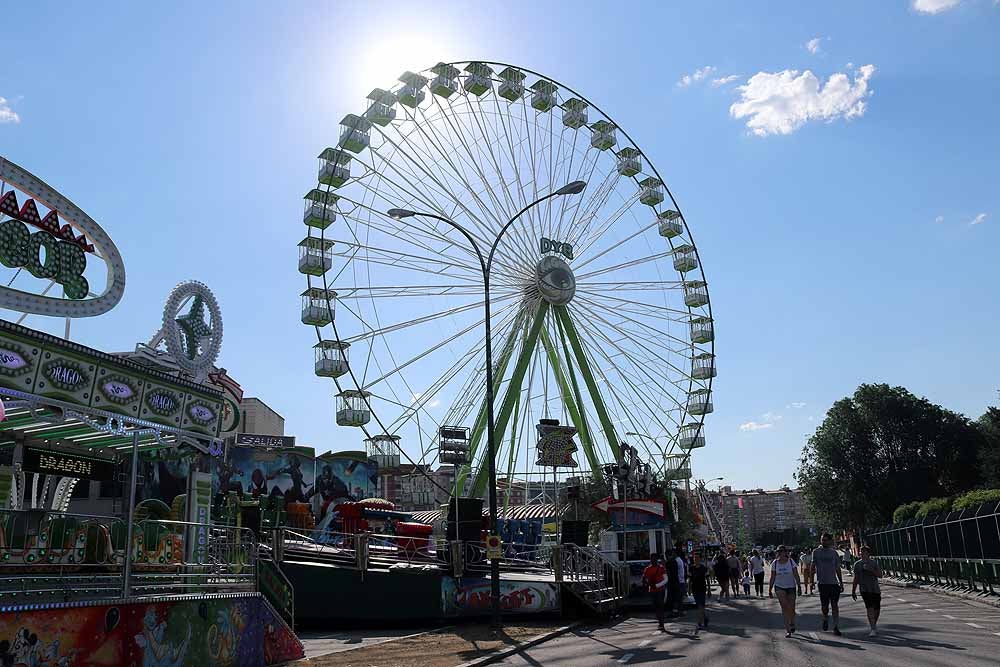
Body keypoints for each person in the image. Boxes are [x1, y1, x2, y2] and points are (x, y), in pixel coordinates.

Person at [813, 532, 844, 635]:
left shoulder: (833, 553)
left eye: (826, 540)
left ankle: (836, 626)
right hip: (822, 583)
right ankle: (825, 618)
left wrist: (841, 582)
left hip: (833, 583)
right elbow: (813, 566)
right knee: (825, 606)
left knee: (835, 605)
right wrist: (811, 581)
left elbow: (837, 568)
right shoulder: (816, 552)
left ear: (830, 541)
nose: (823, 541)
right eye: (822, 539)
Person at [768, 545, 803, 638]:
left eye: (782, 551)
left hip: (791, 587)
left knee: (792, 608)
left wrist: (799, 586)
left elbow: (796, 574)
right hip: (779, 587)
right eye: (779, 551)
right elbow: (772, 577)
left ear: (785, 552)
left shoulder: (791, 562)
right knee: (784, 607)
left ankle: (792, 622)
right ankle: (788, 630)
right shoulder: (774, 563)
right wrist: (770, 589)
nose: (781, 553)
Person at [852, 545, 884, 637]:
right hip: (864, 589)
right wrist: (853, 591)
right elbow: (856, 578)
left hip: (875, 589)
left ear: (868, 554)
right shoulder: (857, 564)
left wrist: (871, 570)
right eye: (861, 552)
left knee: (877, 609)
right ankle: (873, 628)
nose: (862, 554)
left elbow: (880, 575)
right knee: (869, 608)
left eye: (864, 552)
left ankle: (874, 624)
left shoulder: (874, 563)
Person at [642, 554, 668, 631]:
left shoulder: (661, 568)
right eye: (652, 559)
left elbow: (666, 579)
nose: (653, 560)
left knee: (660, 606)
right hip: (652, 591)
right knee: (656, 607)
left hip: (660, 590)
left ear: (657, 559)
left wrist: (657, 585)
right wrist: (646, 583)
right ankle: (660, 621)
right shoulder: (647, 569)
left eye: (654, 559)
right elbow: (644, 579)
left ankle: (661, 623)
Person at [689, 551, 712, 634]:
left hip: (702, 589)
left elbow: (708, 579)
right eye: (695, 558)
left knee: (700, 606)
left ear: (700, 559)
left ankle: (699, 623)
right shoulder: (691, 568)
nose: (696, 559)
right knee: (699, 606)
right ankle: (705, 618)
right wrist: (688, 589)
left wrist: (709, 589)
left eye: (698, 558)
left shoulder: (704, 568)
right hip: (694, 589)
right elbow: (690, 579)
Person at [666, 546, 683, 617]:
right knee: (677, 597)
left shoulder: (670, 562)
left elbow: (669, 573)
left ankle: (673, 612)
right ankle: (678, 611)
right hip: (676, 581)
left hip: (672, 582)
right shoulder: (675, 561)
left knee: (672, 598)